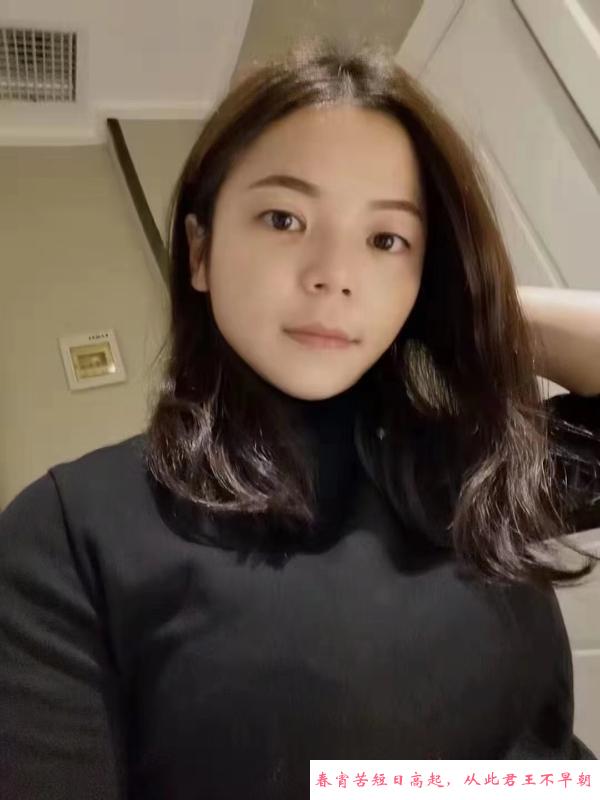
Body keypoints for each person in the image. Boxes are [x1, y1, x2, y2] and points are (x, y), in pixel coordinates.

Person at [1, 37, 600, 800]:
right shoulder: (70, 534)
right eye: (284, 218)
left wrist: (465, 308)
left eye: (386, 239)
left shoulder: (464, 463)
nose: (334, 275)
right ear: (200, 251)